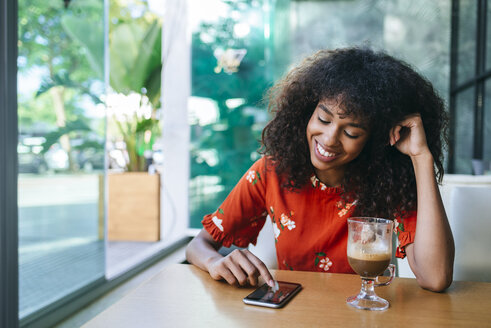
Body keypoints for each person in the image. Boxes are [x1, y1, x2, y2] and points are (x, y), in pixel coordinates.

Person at [185, 47, 455, 292]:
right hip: (294, 315)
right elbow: (197, 246)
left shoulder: (389, 181)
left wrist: (421, 157)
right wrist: (214, 262)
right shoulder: (270, 173)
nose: (328, 139)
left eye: (351, 132)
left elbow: (435, 277)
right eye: (323, 119)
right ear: (307, 112)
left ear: (375, 138)